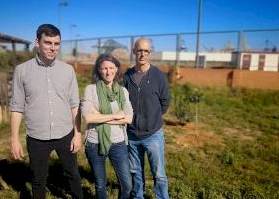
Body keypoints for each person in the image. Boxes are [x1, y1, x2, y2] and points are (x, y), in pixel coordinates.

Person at [10, 24, 83, 199]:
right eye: (48, 42)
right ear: (37, 42)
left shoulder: (68, 70)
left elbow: (75, 104)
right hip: (37, 137)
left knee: (73, 174)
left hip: (65, 134)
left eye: (56, 43)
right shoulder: (22, 71)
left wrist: (78, 134)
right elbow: (17, 107)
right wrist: (14, 139)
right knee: (38, 179)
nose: (53, 48)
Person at [123, 38, 170, 199]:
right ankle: (138, 196)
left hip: (153, 134)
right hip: (132, 134)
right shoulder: (127, 76)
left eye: (146, 51)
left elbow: (165, 102)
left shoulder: (158, 75)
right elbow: (123, 101)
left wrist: (152, 118)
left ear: (150, 53)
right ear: (134, 51)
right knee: (135, 172)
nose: (142, 54)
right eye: (139, 50)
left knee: (159, 174)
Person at [81, 54, 133, 199]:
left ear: (116, 69)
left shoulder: (123, 92)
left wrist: (100, 116)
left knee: (127, 184)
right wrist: (116, 116)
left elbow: (128, 119)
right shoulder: (90, 89)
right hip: (94, 143)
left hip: (118, 143)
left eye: (111, 68)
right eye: (104, 68)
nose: (108, 72)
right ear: (99, 70)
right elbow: (88, 117)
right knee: (100, 184)